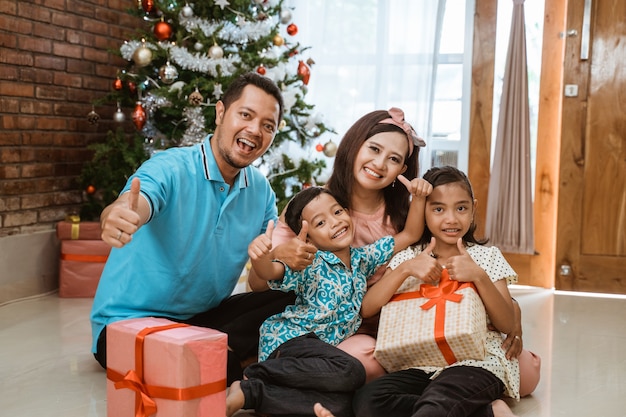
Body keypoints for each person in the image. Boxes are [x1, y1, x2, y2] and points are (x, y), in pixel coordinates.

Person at [249, 108, 539, 398]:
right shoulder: (313, 207)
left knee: (524, 372)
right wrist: (279, 254)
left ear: (402, 170)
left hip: (409, 319)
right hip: (341, 331)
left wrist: (513, 317)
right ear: (354, 145)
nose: (379, 164)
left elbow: (451, 256)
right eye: (374, 149)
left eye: (394, 159)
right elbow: (261, 284)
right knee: (363, 367)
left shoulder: (406, 214)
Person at [90, 72, 296, 385]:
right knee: (220, 368)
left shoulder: (261, 192)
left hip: (201, 319)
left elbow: (257, 283)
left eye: (268, 126)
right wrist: (118, 215)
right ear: (220, 113)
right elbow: (138, 200)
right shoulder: (171, 167)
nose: (255, 130)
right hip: (126, 324)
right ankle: (235, 359)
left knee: (294, 298)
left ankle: (221, 353)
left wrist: (276, 259)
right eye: (246, 115)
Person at [226, 181, 431, 417]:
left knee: (343, 407)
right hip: (292, 343)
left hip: (320, 359)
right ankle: (255, 377)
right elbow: (265, 277)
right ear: (309, 240)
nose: (335, 222)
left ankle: (255, 394)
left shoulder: (363, 258)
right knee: (352, 371)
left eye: (337, 212)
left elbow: (410, 234)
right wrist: (263, 257)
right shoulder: (309, 262)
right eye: (320, 223)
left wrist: (418, 197)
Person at [353, 165, 521, 417]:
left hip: (477, 362)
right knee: (368, 401)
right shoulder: (408, 257)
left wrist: (478, 276)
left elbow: (507, 323)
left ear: (474, 208)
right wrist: (406, 270)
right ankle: (487, 413)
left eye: (461, 208)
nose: (451, 219)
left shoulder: (486, 257)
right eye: (438, 209)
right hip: (420, 364)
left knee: (437, 403)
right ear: (423, 212)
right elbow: (367, 308)